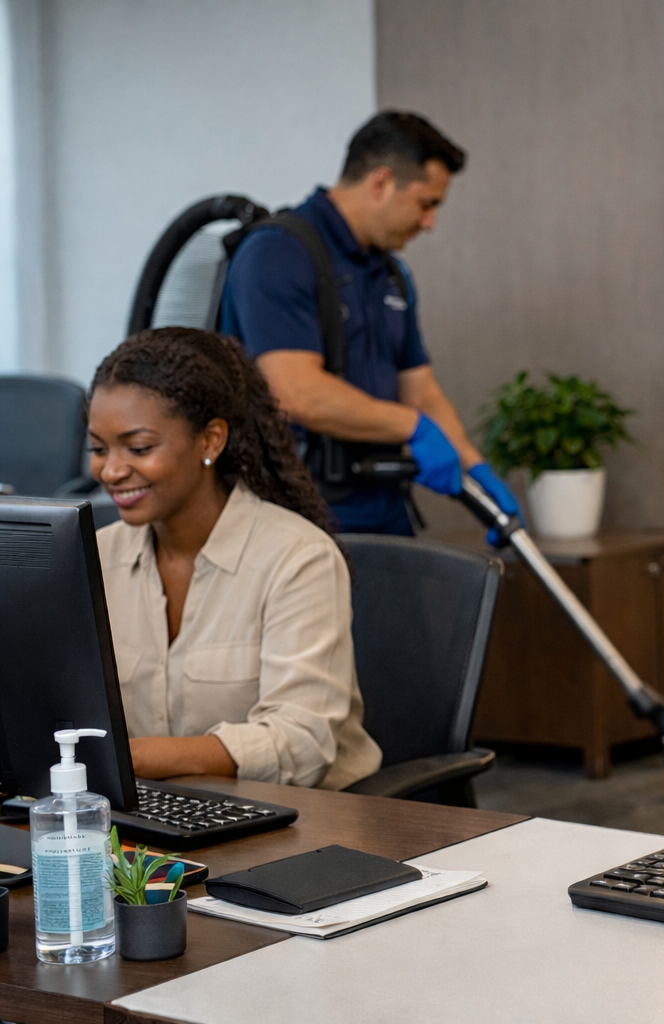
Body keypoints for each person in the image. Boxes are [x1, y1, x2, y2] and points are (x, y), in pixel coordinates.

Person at [88, 328, 382, 790]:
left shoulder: (297, 559)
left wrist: (125, 757)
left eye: (139, 448)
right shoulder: (95, 557)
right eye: (98, 448)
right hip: (151, 815)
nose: (111, 470)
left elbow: (299, 744)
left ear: (210, 441)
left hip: (306, 821)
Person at [220, 111, 518, 535]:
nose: (430, 222)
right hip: (299, 508)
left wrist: (475, 470)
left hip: (383, 501)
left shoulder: (390, 274)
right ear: (381, 183)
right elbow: (296, 393)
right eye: (425, 203)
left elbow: (420, 391)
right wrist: (413, 429)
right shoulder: (279, 254)